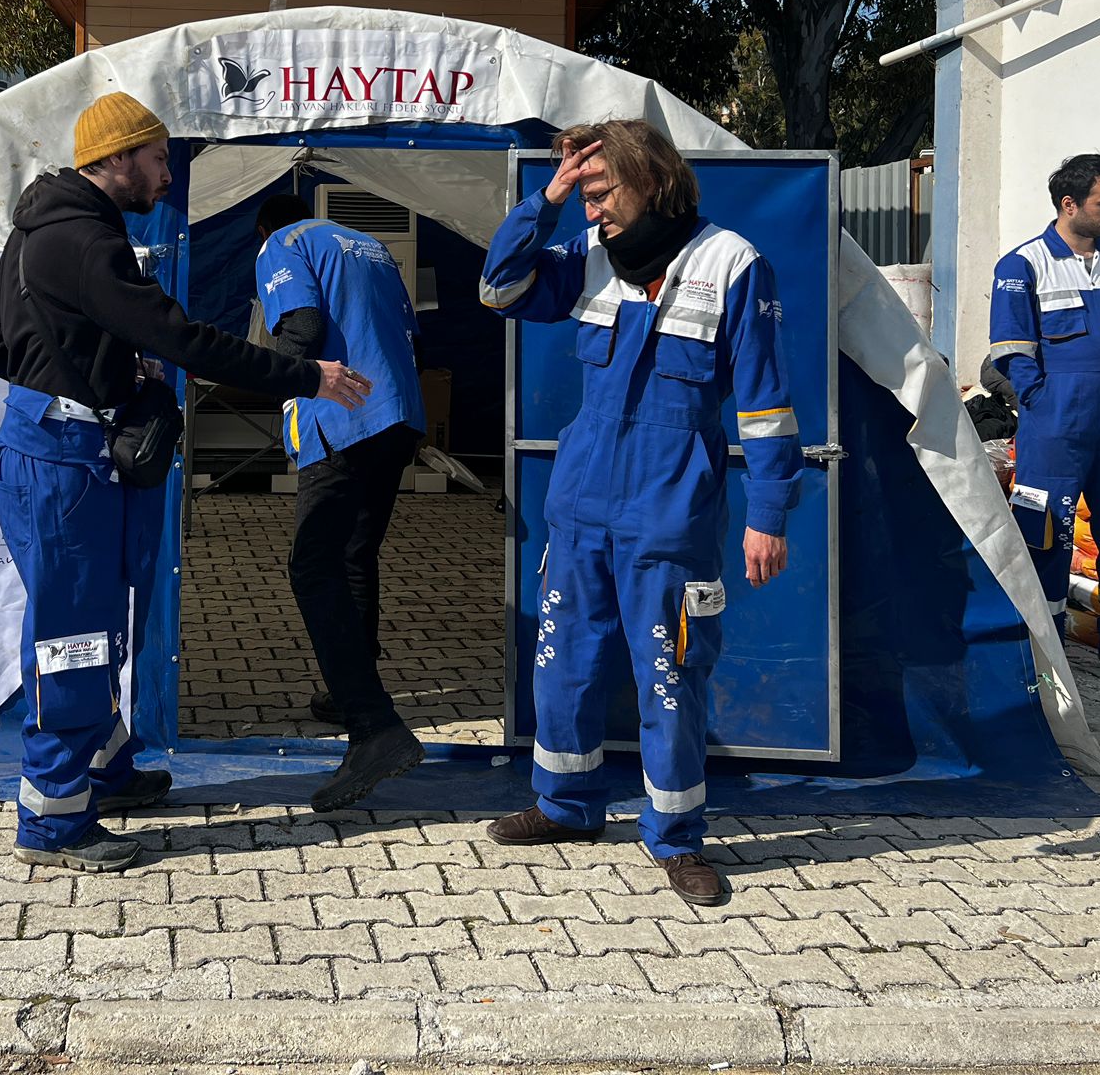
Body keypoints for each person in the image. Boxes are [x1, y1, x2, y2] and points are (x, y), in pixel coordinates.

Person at [0, 92, 372, 873]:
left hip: (54, 450)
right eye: (157, 158)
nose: (166, 174)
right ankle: (52, 822)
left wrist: (102, 368)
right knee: (73, 638)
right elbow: (185, 338)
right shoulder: (89, 240)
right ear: (116, 158)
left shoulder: (40, 230)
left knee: (98, 621)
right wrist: (304, 376)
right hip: (65, 466)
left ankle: (103, 769)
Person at [477, 119, 802, 905]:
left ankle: (676, 837)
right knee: (564, 665)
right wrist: (547, 200)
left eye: (601, 192)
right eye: (584, 197)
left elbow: (765, 406)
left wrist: (769, 513)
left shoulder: (732, 263)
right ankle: (566, 804)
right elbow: (499, 289)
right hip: (583, 506)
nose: (594, 211)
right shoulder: (587, 257)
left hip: (671, 512)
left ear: (650, 180)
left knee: (670, 676)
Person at [252, 191, 427, 801]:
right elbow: (409, 329)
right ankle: (348, 688)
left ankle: (372, 725)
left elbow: (300, 329)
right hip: (399, 412)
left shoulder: (283, 244)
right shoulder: (373, 246)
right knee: (356, 555)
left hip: (343, 416)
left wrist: (256, 371)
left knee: (312, 565)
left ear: (266, 226)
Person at [990, 154, 1100, 681]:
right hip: (1056, 424)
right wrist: (1041, 400)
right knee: (1045, 531)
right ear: (1069, 204)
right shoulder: (1022, 265)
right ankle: (1046, 648)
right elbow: (1011, 348)